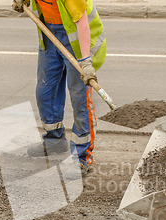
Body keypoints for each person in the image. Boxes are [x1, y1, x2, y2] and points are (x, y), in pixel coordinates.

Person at [12, 0, 106, 175]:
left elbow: (82, 21)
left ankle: (82, 158)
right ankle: (54, 141)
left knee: (79, 98)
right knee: (46, 91)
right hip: (49, 32)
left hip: (78, 40)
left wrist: (85, 61)